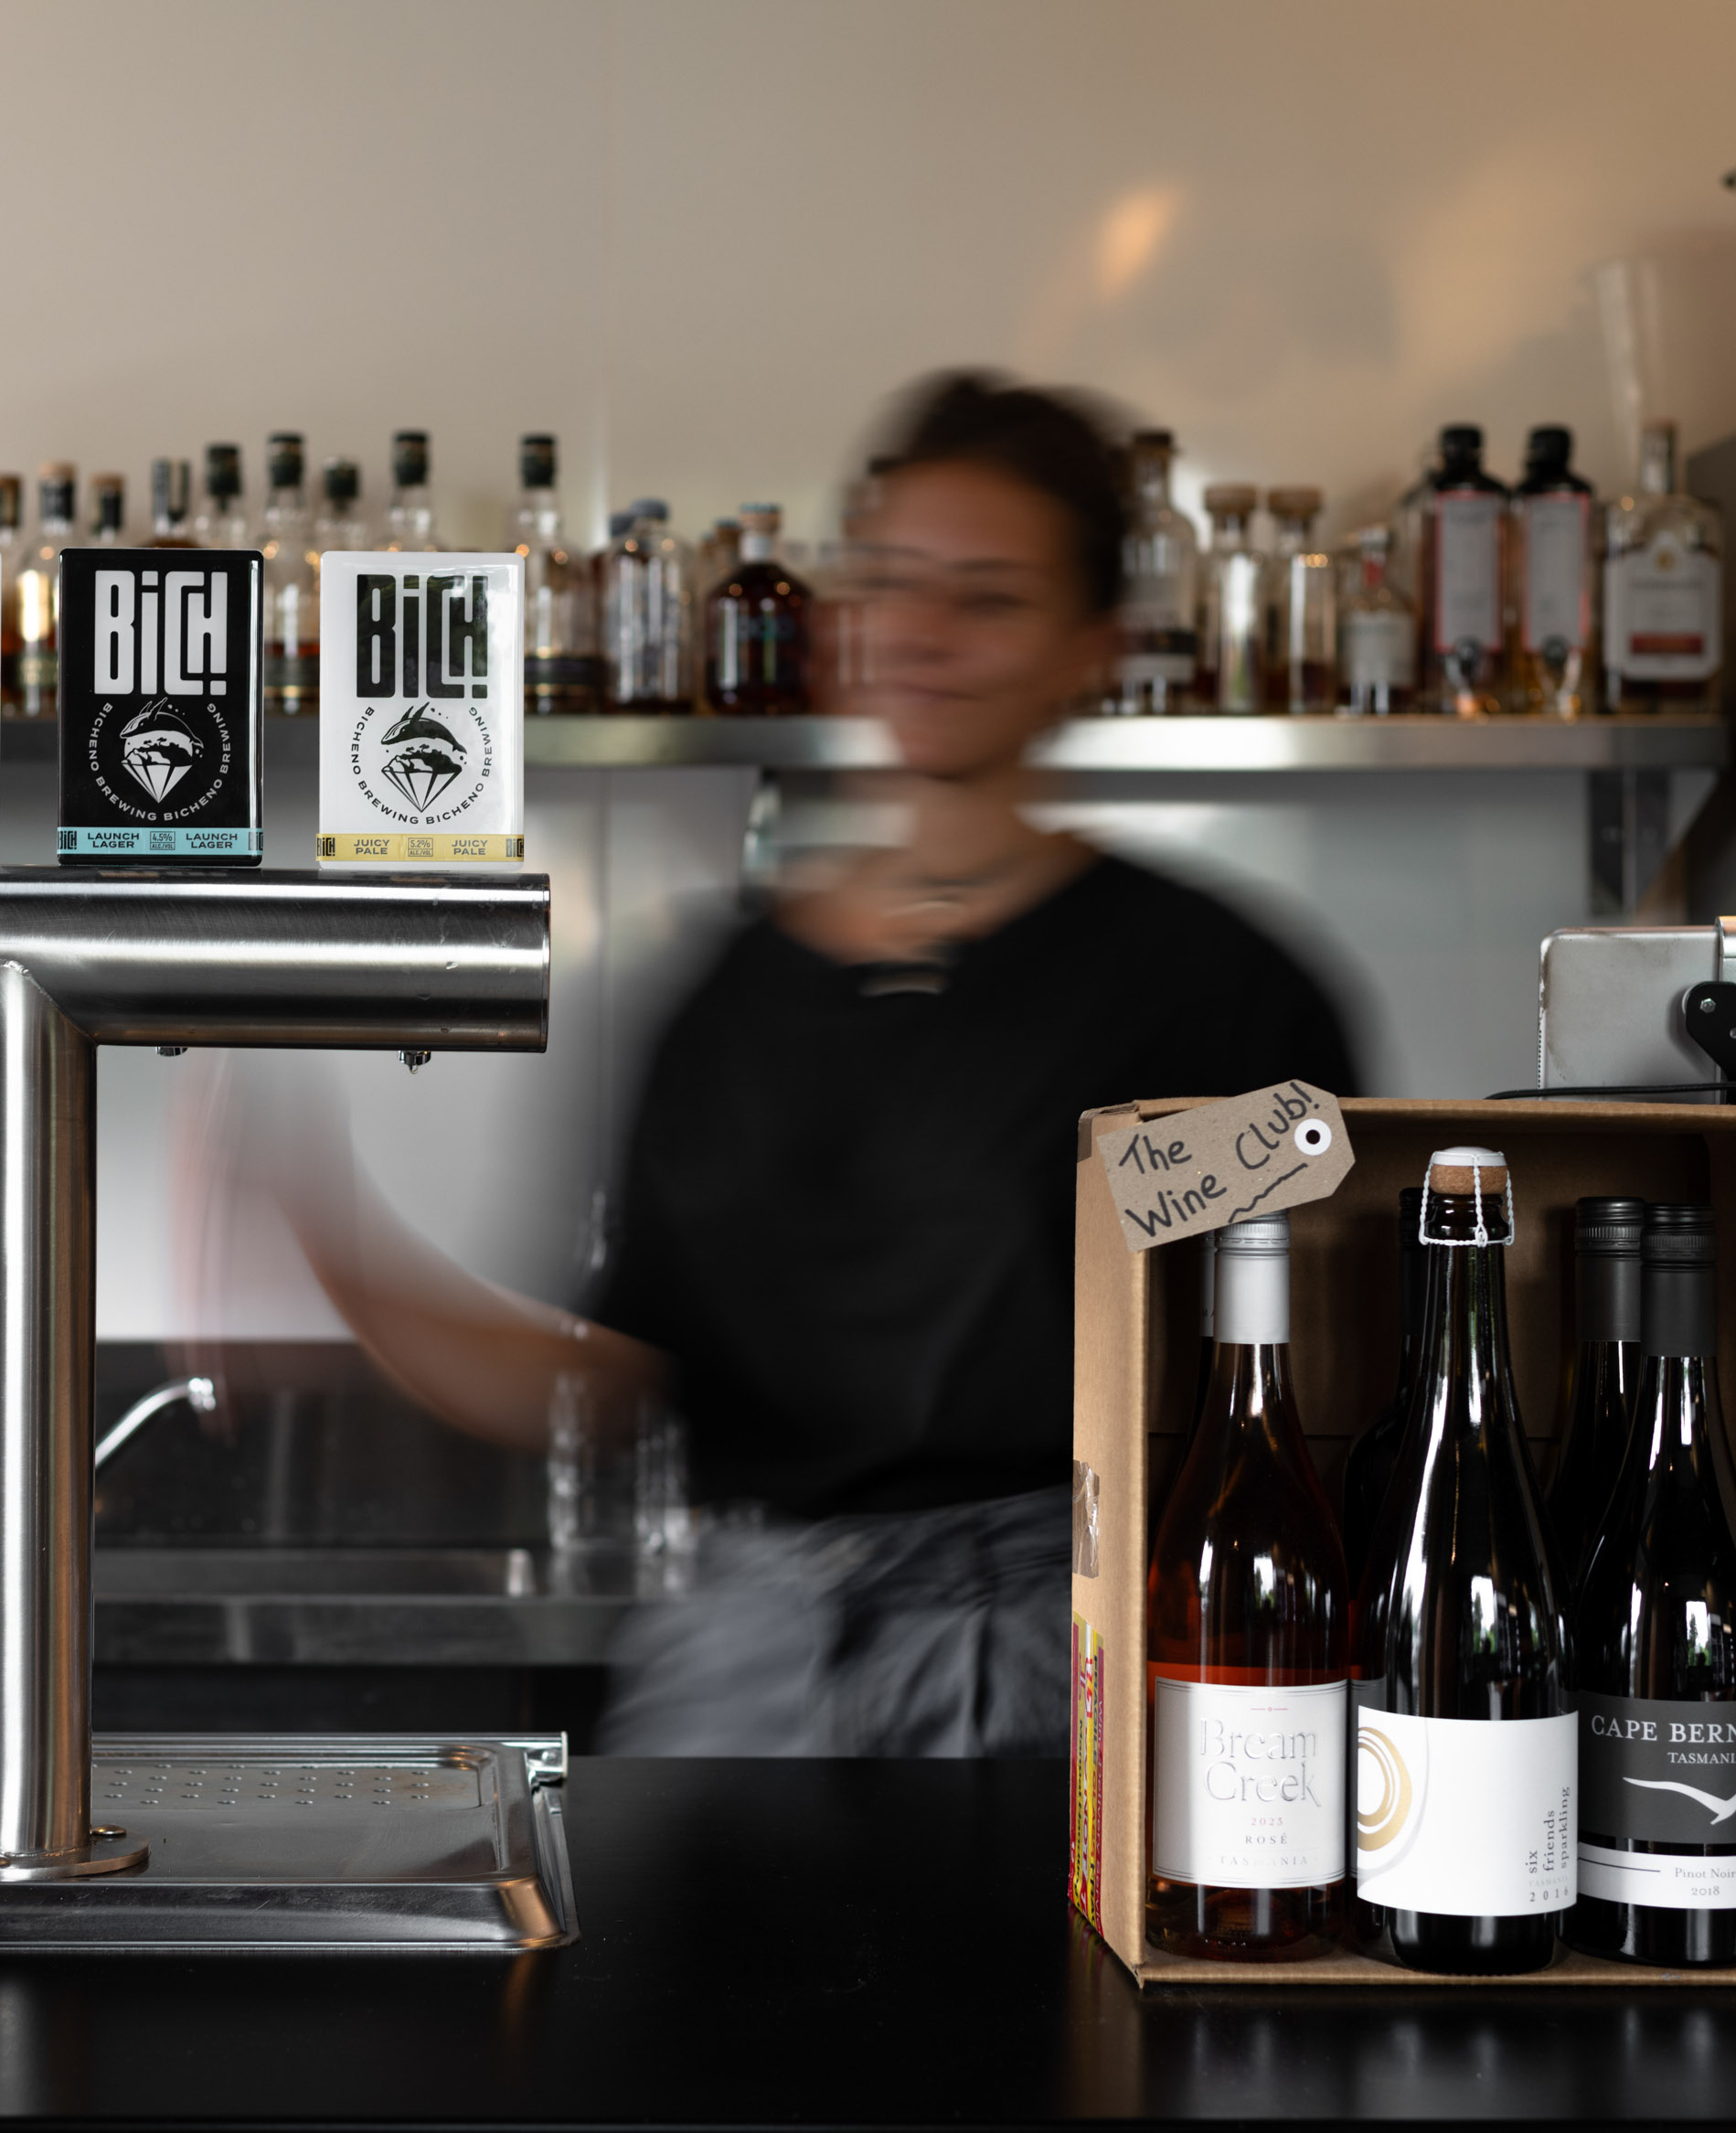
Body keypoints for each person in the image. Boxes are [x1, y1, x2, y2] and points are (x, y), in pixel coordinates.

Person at [229, 372, 1358, 1755]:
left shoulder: (1210, 986)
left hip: (1056, 1662)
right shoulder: (729, 993)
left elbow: (1308, 1373)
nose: (926, 633)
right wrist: (332, 1243)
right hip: (746, 1653)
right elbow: (611, 1379)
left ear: (1091, 646)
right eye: (892, 581)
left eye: (989, 597)